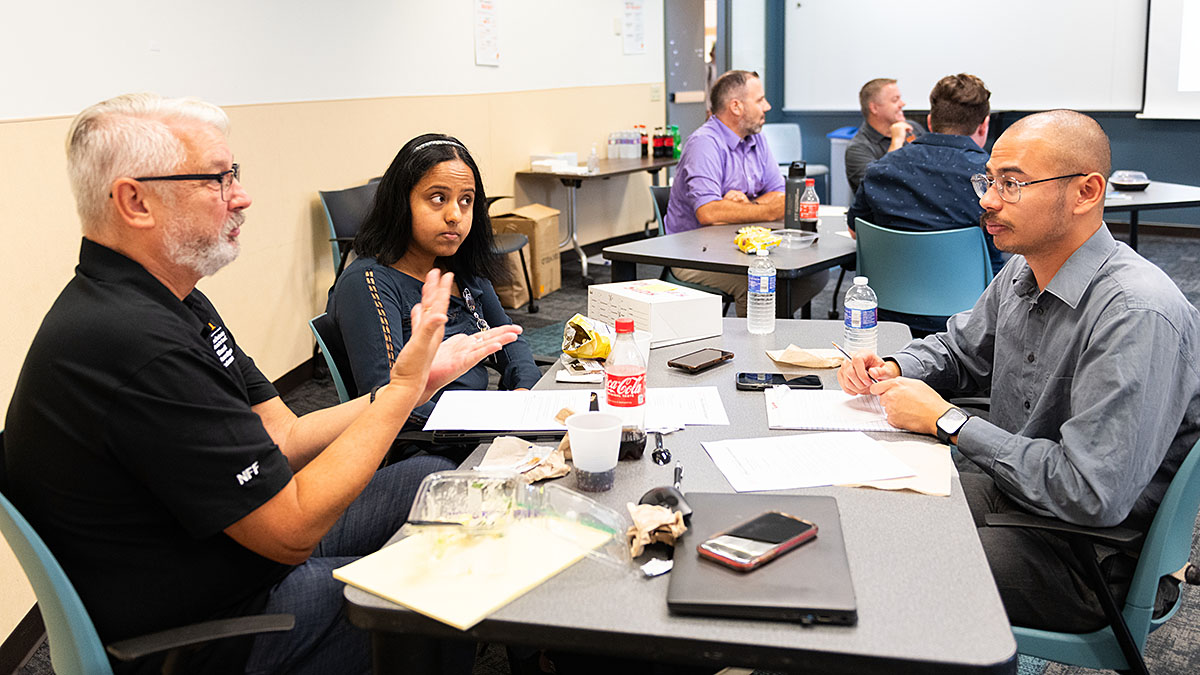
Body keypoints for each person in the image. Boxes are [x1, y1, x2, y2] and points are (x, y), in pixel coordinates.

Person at [3, 93, 521, 675]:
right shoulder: (134, 343)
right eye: (217, 180)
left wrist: (412, 387)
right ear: (135, 201)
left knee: (433, 482)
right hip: (214, 631)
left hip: (236, 551)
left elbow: (284, 430)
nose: (241, 196)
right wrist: (399, 393)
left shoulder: (174, 301)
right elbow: (292, 529)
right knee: (440, 579)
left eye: (235, 175)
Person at [837, 110, 1200, 632]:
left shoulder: (1135, 313)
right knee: (871, 505)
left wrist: (950, 422)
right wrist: (897, 363)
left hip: (1091, 557)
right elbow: (961, 350)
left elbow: (1089, 493)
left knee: (895, 566)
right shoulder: (1025, 268)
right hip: (1024, 496)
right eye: (988, 181)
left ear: (1085, 192)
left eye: (1012, 184)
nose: (986, 200)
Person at [325, 134, 541, 440]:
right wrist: (487, 427)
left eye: (466, 200)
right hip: (427, 444)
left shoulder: (460, 267)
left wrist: (523, 392)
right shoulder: (367, 283)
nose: (455, 215)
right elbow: (388, 401)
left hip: (479, 428)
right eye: (438, 198)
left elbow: (508, 339)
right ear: (401, 203)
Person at [846, 73, 1004, 335]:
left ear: (930, 121)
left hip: (887, 319)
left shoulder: (880, 170)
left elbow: (855, 230)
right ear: (983, 126)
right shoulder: (991, 180)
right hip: (973, 321)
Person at [664, 69, 827, 318]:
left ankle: (778, 342)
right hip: (693, 255)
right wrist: (765, 209)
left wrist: (746, 204)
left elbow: (780, 192)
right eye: (760, 100)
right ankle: (754, 351)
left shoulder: (755, 139)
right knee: (759, 285)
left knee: (811, 273)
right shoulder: (704, 144)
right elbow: (709, 213)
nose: (767, 106)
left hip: (739, 249)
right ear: (737, 107)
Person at [844, 78, 927, 195]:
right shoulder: (858, 148)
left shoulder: (913, 128)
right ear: (874, 108)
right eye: (895, 100)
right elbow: (880, 188)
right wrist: (897, 142)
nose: (902, 104)